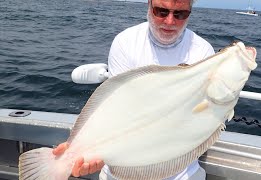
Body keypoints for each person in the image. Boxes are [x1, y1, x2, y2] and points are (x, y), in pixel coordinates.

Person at [53, 0, 215, 179]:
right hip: (123, 167)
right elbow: (117, 108)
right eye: (161, 11)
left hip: (180, 172)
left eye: (180, 14)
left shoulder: (203, 52)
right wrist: (81, 150)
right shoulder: (126, 42)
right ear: (149, 5)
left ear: (190, 12)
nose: (170, 21)